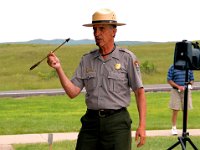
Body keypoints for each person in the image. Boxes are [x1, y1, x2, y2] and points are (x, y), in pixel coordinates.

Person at [47, 8, 146, 150]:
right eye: (94, 29)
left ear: (114, 31)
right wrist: (58, 68)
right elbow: (72, 92)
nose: (97, 34)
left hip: (117, 123)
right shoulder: (87, 59)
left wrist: (142, 126)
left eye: (101, 29)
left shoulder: (127, 58)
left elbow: (139, 92)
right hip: (91, 123)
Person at [167, 64, 194, 135]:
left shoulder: (189, 67)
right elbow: (169, 80)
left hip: (186, 91)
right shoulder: (173, 67)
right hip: (176, 91)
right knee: (175, 109)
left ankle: (184, 128)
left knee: (185, 110)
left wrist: (189, 85)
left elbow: (191, 79)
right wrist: (178, 86)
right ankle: (174, 127)